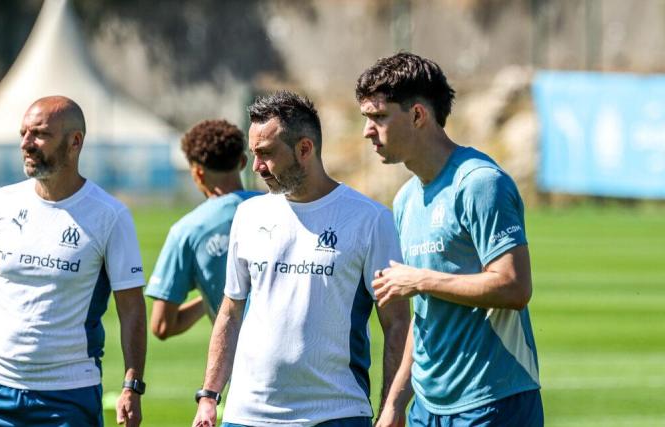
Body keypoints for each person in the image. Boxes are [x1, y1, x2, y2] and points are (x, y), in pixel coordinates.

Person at [193, 91, 411, 427]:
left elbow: (397, 324)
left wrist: (391, 409)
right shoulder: (248, 215)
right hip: (247, 415)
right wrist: (209, 396)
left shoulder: (369, 220)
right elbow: (230, 312)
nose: (256, 167)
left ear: (305, 149)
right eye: (253, 154)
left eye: (266, 154)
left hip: (336, 413)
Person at [356, 52, 543, 427]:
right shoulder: (406, 199)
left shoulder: (479, 183)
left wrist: (421, 280)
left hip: (492, 400)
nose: (367, 131)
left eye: (379, 117)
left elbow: (514, 286)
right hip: (428, 406)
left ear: (417, 115)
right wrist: (395, 403)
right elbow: (425, 316)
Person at [0, 96, 147, 426]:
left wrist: (131, 385)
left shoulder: (110, 215)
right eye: (23, 133)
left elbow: (131, 307)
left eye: (40, 134)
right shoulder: (0, 203)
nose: (26, 143)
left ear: (75, 142)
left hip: (68, 394)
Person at [145, 119, 259, 339]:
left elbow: (162, 326)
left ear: (197, 173)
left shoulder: (188, 230)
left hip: (238, 357)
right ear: (243, 162)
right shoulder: (281, 207)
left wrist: (221, 295)